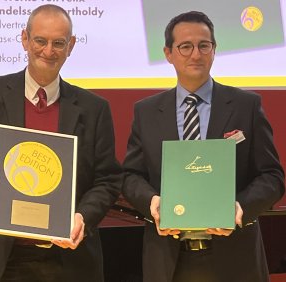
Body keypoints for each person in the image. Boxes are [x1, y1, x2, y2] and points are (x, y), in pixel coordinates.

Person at [0, 4, 121, 282]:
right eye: (40, 40)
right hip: (5, 258)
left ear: (71, 45)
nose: (48, 51)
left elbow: (108, 179)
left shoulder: (94, 108)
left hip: (71, 259)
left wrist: (83, 217)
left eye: (58, 43)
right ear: (25, 39)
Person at [122, 11, 285, 282]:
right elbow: (129, 176)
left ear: (213, 50)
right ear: (168, 53)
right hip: (168, 261)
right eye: (185, 47)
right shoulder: (146, 112)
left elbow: (272, 177)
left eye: (203, 45)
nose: (195, 54)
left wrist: (239, 208)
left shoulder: (247, 106)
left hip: (236, 259)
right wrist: (152, 203)